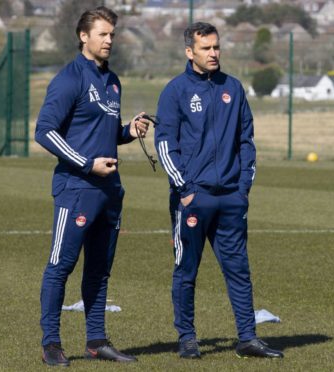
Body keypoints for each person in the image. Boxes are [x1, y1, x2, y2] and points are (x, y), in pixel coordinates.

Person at [154, 22, 283, 359]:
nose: (213, 53)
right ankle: (187, 338)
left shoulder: (233, 88)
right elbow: (165, 144)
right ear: (189, 52)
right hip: (194, 197)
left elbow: (247, 142)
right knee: (186, 270)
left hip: (230, 199)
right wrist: (184, 189)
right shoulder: (175, 91)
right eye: (206, 48)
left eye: (216, 47)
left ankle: (248, 338)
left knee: (239, 269)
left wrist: (242, 190)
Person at [35, 6, 150, 366]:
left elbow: (104, 134)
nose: (109, 40)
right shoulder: (69, 78)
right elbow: (45, 131)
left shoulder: (113, 81)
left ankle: (96, 341)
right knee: (60, 266)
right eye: (102, 34)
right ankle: (52, 344)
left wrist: (128, 132)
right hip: (75, 188)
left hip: (109, 192)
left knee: (99, 270)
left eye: (112, 34)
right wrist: (86, 164)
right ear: (84, 36)